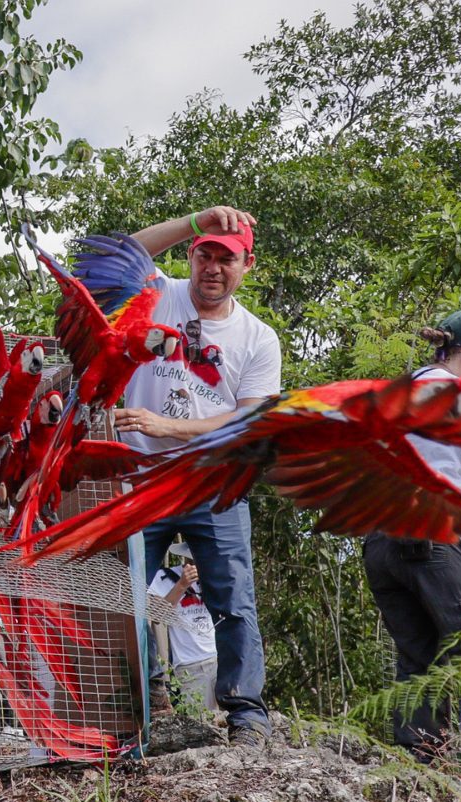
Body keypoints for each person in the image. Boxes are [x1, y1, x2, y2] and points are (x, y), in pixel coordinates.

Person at [112, 206, 281, 748]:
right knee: (121, 593)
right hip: (140, 475)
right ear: (191, 254)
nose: (213, 267)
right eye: (205, 253)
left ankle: (246, 718)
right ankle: (139, 705)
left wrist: (170, 426)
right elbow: (121, 254)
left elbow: (252, 418)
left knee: (233, 599)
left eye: (226, 258)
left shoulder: (258, 337)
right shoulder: (158, 294)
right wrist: (193, 220)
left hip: (213, 484)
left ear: (246, 265)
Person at [362, 308, 461, 761]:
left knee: (420, 662)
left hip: (383, 539)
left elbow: (457, 471)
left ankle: (420, 767)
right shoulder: (460, 392)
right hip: (444, 533)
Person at [148, 558, 218, 715]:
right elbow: (157, 616)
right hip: (190, 666)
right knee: (202, 726)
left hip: (221, 660)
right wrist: (182, 585)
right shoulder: (164, 576)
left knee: (231, 721)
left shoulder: (217, 572)